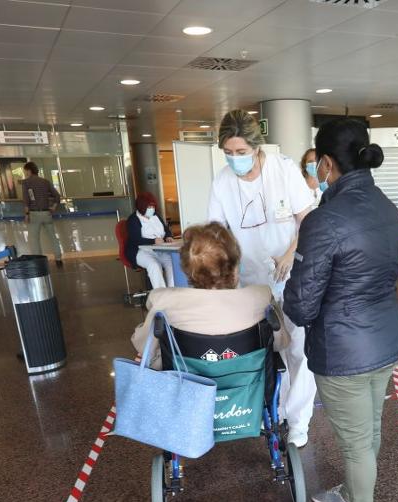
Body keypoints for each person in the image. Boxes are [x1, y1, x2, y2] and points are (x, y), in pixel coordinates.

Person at [285, 118, 398, 502]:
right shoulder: (389, 208)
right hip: (384, 339)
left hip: (343, 349)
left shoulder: (325, 220)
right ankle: (353, 496)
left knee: (355, 441)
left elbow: (300, 302)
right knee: (368, 428)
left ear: (326, 163)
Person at [207, 109, 317, 447]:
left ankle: (298, 422)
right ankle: (277, 410)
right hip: (251, 283)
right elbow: (217, 232)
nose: (234, 159)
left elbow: (307, 220)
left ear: (256, 147)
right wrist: (229, 266)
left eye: (241, 152)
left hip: (291, 276)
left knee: (300, 350)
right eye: (228, 152)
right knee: (270, 351)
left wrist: (289, 254)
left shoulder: (283, 171)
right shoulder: (223, 181)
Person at [131, 222, 276, 368]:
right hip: (248, 387)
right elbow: (281, 343)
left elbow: (143, 345)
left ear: (187, 269)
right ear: (234, 266)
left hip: (186, 385)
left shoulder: (163, 300)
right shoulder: (262, 296)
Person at [126, 192, 176, 290]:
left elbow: (166, 230)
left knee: (172, 263)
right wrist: (153, 241)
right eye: (149, 207)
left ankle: (172, 292)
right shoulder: (133, 220)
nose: (151, 209)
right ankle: (161, 296)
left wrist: (168, 237)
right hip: (141, 251)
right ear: (141, 207)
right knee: (154, 266)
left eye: (152, 206)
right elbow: (136, 239)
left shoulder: (155, 216)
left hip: (159, 250)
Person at [21, 161, 63, 265]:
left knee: (34, 239)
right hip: (46, 213)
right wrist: (53, 207)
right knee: (53, 237)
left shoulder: (26, 182)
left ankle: (38, 262)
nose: (25, 173)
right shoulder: (45, 181)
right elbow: (57, 196)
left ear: (29, 170)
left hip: (34, 214)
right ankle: (58, 259)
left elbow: (26, 200)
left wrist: (26, 215)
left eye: (25, 171)